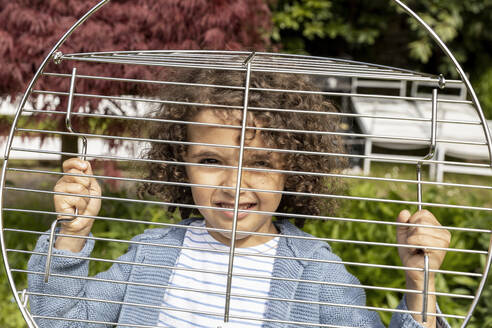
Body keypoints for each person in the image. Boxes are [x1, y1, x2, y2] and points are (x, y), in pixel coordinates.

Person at [28, 69, 451, 328]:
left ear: (296, 169)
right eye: (211, 159)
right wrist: (72, 235)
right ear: (180, 164)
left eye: (261, 162)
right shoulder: (151, 255)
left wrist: (421, 286)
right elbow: (60, 321)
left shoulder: (315, 271)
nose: (234, 184)